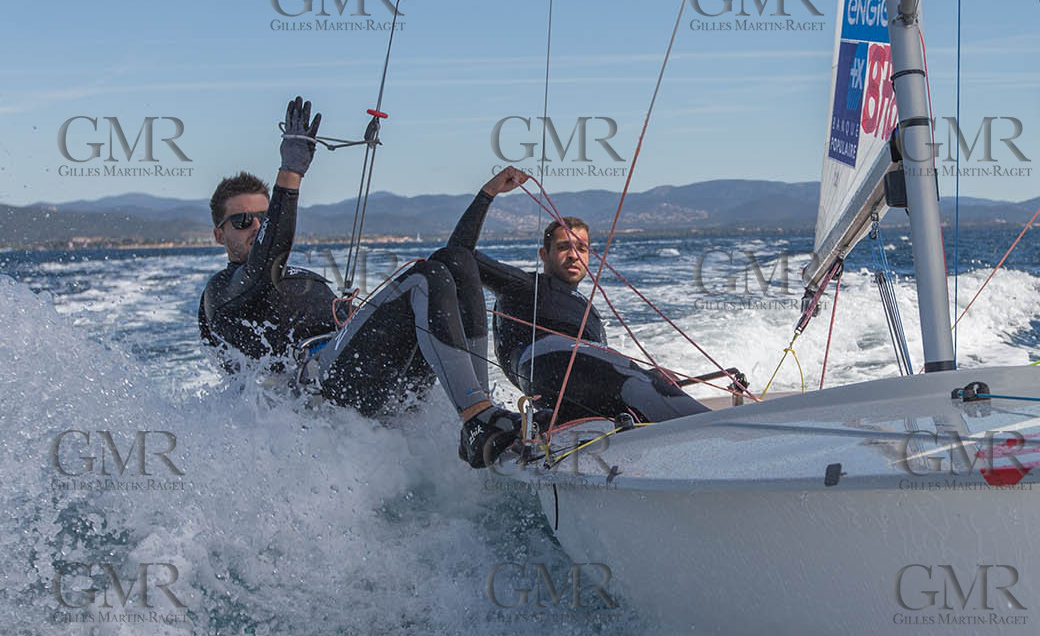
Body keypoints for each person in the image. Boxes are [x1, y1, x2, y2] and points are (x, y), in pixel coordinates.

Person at [198, 97, 524, 468]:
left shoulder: (301, 278)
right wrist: (290, 174)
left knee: (455, 261)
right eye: (243, 221)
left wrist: (486, 196)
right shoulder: (223, 292)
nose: (257, 226)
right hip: (323, 394)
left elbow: (455, 273)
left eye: (264, 216)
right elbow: (265, 262)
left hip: (372, 377)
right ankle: (477, 420)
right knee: (425, 276)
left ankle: (483, 415)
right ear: (218, 234)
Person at [443, 168, 711, 425]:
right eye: (563, 247)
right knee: (639, 385)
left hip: (569, 386)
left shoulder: (588, 309)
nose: (573, 255)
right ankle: (717, 429)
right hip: (548, 363)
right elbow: (457, 255)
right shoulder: (526, 285)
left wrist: (652, 375)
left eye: (581, 248)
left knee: (646, 389)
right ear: (543, 255)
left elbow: (600, 370)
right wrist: (488, 192)